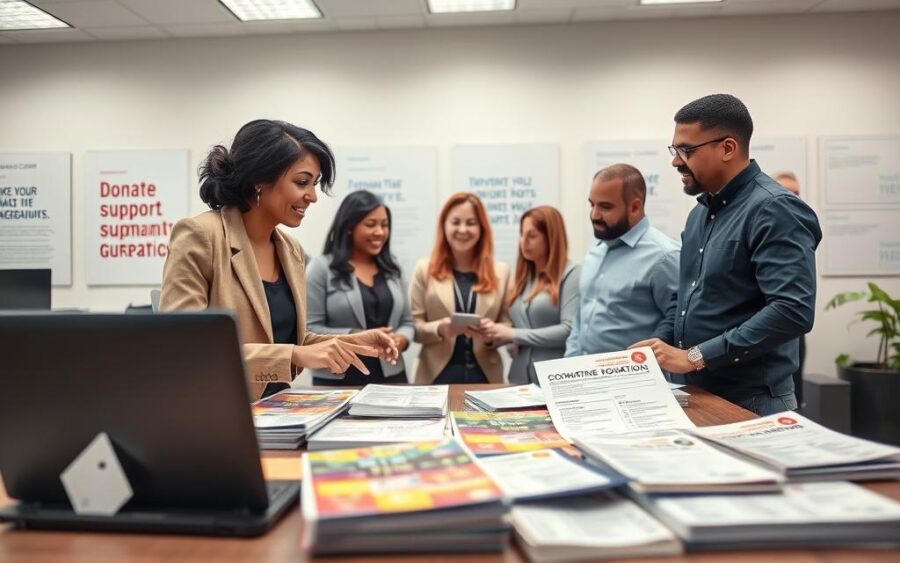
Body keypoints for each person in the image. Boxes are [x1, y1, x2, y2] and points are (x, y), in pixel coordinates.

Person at [160, 119, 397, 400]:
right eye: (301, 182)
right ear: (259, 180)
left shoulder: (291, 250)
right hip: (217, 412)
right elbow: (186, 348)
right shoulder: (201, 235)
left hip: (278, 410)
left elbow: (290, 342)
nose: (312, 196)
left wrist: (350, 341)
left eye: (314, 184)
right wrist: (296, 353)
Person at [632, 94, 822, 416]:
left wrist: (694, 356)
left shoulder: (774, 209)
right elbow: (689, 298)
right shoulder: (700, 214)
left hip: (752, 402)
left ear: (728, 148)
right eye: (675, 150)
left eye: (686, 150)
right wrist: (655, 347)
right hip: (696, 393)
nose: (676, 161)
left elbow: (792, 310)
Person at [564, 164, 680, 357]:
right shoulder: (595, 253)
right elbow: (580, 319)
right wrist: (570, 365)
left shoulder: (664, 257)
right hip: (586, 377)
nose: (594, 215)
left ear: (635, 207)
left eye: (605, 207)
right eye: (592, 204)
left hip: (636, 380)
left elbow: (679, 322)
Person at [306, 190, 414, 385]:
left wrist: (401, 339)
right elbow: (309, 330)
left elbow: (408, 322)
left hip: (392, 376)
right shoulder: (320, 269)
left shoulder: (393, 269)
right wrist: (358, 337)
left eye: (384, 225)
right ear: (349, 227)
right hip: (337, 378)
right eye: (371, 224)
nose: (380, 232)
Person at [409, 192, 510, 384]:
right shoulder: (424, 269)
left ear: (482, 228)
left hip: (486, 378)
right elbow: (414, 327)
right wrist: (440, 328)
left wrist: (492, 333)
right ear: (444, 226)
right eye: (455, 222)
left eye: (471, 223)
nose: (463, 229)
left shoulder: (501, 272)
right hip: (435, 377)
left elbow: (507, 325)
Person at [481, 206, 579, 384]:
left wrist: (512, 334)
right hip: (518, 379)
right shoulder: (522, 279)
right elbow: (518, 331)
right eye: (521, 234)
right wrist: (495, 337)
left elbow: (569, 330)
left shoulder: (572, 275)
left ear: (551, 238)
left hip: (554, 380)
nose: (523, 241)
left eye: (532, 236)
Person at [774, 170, 807, 407]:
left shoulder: (801, 230)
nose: (791, 198)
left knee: (795, 392)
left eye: (796, 193)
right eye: (785, 192)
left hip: (793, 329)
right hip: (761, 336)